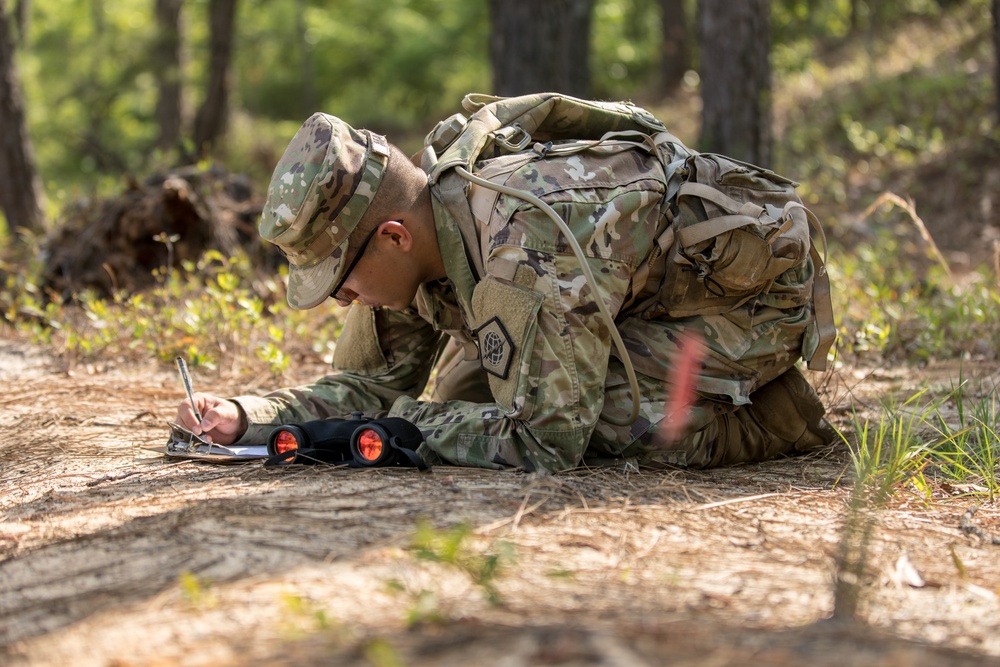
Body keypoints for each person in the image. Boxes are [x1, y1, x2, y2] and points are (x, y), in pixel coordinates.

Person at [175, 94, 836, 472]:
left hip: (751, 297)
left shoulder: (524, 242)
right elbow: (371, 385)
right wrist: (249, 415)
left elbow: (549, 440)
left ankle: (776, 416)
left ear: (393, 237)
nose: (342, 299)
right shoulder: (420, 243)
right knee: (476, 390)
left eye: (340, 280)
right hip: (623, 288)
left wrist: (399, 424)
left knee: (596, 410)